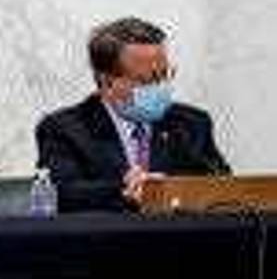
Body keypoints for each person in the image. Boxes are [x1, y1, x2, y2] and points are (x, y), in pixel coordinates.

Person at [35, 16, 229, 213]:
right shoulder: (65, 129)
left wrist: (171, 190)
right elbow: (61, 194)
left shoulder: (191, 124)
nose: (160, 88)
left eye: (164, 75)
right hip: (105, 240)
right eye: (146, 81)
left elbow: (224, 190)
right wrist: (126, 188)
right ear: (107, 82)